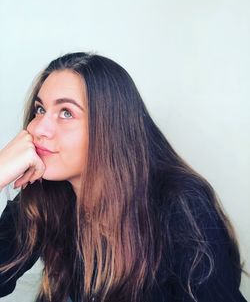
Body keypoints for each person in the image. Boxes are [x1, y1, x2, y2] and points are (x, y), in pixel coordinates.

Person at [0, 52, 248, 302]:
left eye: (66, 113)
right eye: (40, 109)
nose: (37, 128)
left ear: (111, 127)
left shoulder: (180, 205)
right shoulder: (42, 197)